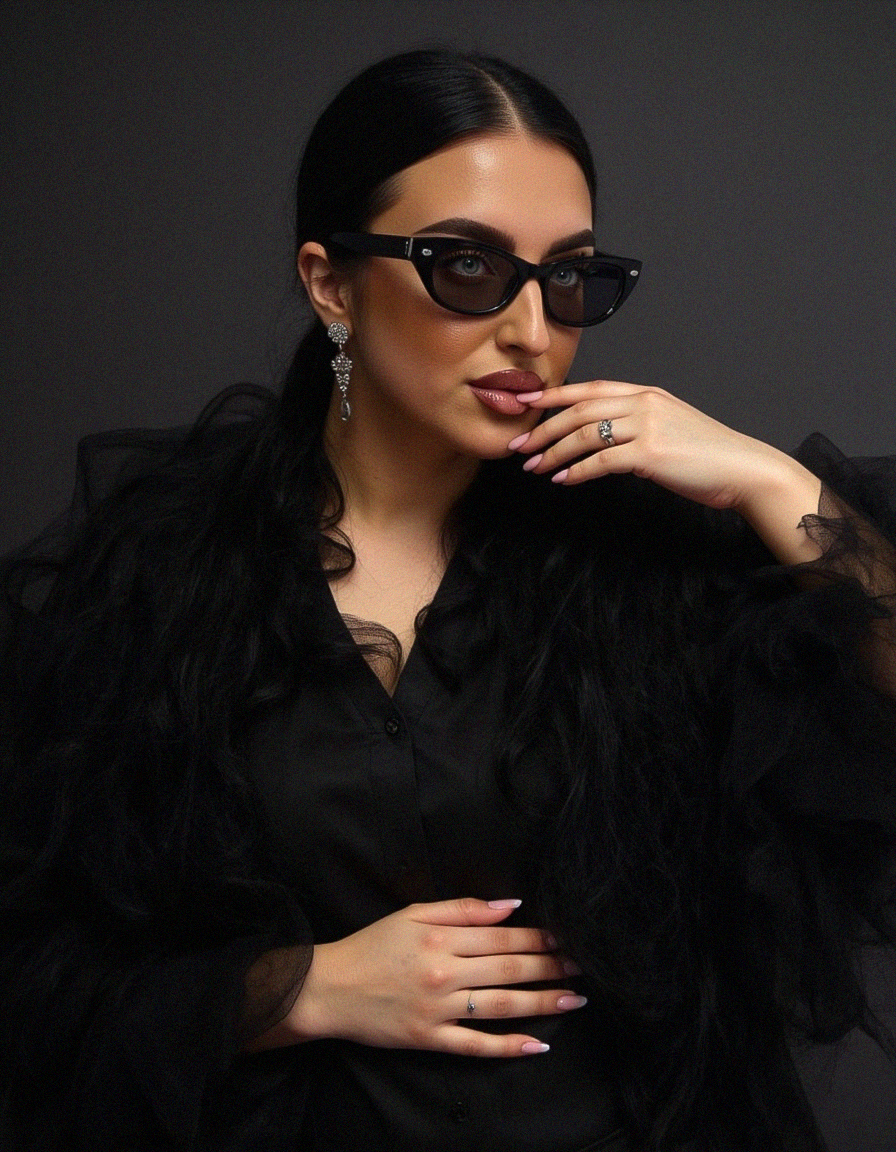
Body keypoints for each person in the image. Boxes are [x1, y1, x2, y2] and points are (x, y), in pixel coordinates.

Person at [1, 48, 895, 1152]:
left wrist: (770, 481)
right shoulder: (170, 578)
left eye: (568, 276)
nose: (532, 331)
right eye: (466, 266)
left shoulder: (647, 559)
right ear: (331, 284)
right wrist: (305, 987)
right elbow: (43, 973)